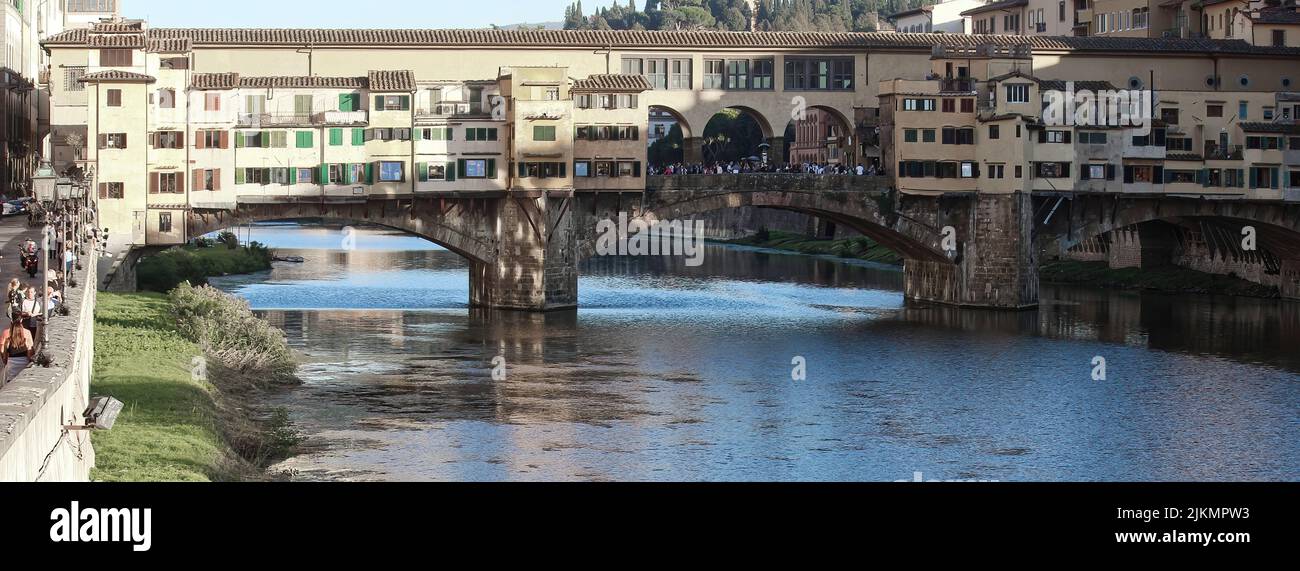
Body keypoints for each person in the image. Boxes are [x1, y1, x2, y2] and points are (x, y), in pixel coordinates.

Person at [1, 319, 34, 384]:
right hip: (23, 364)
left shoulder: (8, 341)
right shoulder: (26, 341)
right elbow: (30, 356)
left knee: (10, 382)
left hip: (12, 366)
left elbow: (4, 358)